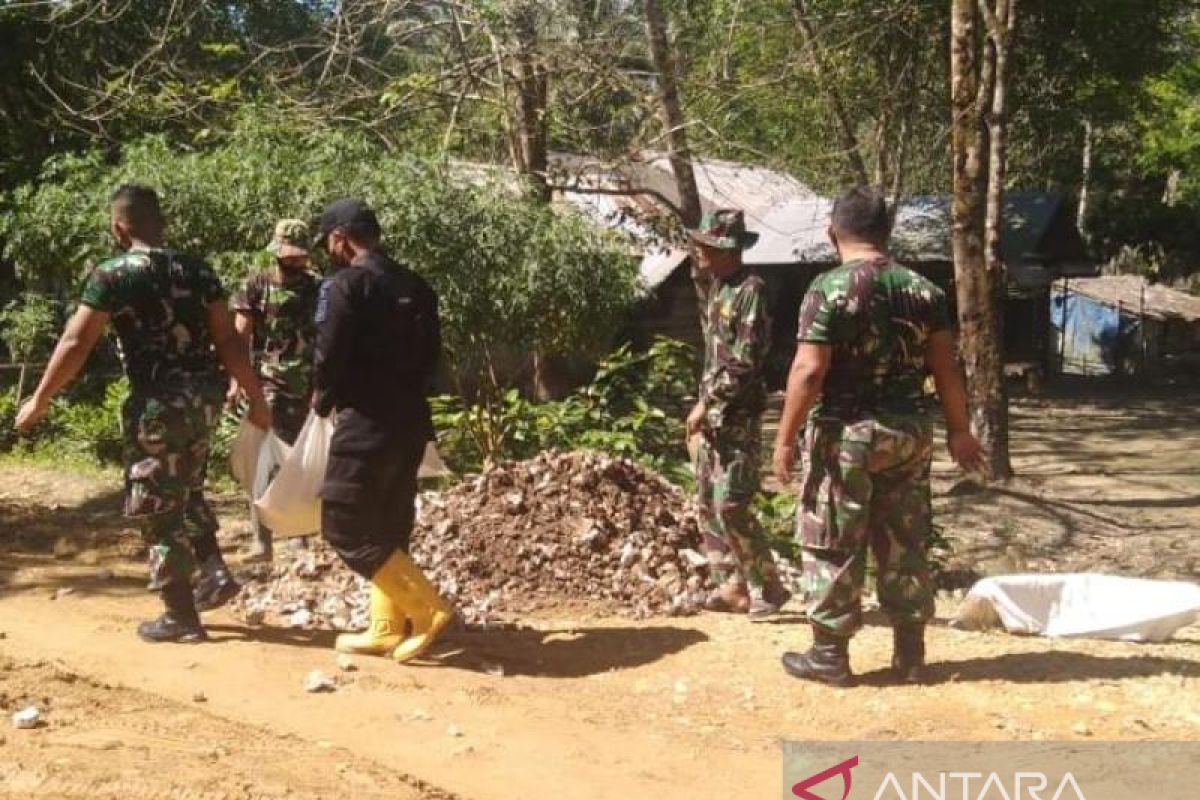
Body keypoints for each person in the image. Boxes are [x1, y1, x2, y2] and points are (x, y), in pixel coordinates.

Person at [15, 184, 271, 643]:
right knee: (188, 488)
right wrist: (255, 395)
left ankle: (180, 615)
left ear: (118, 228)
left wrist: (39, 400)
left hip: (158, 404)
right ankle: (212, 571)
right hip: (206, 401)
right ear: (163, 223)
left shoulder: (112, 275)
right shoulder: (198, 271)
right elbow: (228, 340)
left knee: (156, 503)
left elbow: (77, 342)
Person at [771, 187, 983, 686]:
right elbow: (946, 370)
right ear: (887, 233)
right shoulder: (925, 291)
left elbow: (808, 370)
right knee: (905, 538)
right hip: (909, 433)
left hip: (846, 434)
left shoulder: (828, 287)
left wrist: (784, 438)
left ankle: (829, 655)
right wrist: (959, 431)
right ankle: (910, 656)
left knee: (833, 538)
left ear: (832, 233)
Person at [312, 197, 452, 663]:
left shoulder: (345, 285)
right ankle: (386, 626)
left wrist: (322, 398)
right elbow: (434, 358)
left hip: (366, 420)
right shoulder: (417, 284)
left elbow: (329, 351)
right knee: (389, 520)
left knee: (344, 521)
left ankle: (425, 609)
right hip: (411, 419)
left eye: (328, 241)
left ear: (339, 239)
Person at [685, 209, 792, 618]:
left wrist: (705, 402)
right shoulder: (718, 288)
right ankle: (731, 586)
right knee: (708, 504)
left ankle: (769, 586)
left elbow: (743, 363)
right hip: (713, 419)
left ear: (726, 248)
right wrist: (704, 408)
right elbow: (716, 358)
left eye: (706, 246)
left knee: (732, 503)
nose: (698, 252)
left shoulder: (751, 290)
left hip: (737, 419)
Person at [228, 219, 322, 562]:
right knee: (264, 462)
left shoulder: (318, 289)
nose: (296, 262)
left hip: (309, 386)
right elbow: (240, 337)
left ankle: (298, 535)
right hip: (267, 385)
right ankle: (262, 539)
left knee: (301, 462)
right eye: (290, 255)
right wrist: (237, 382)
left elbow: (329, 337)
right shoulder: (256, 285)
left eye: (301, 256)